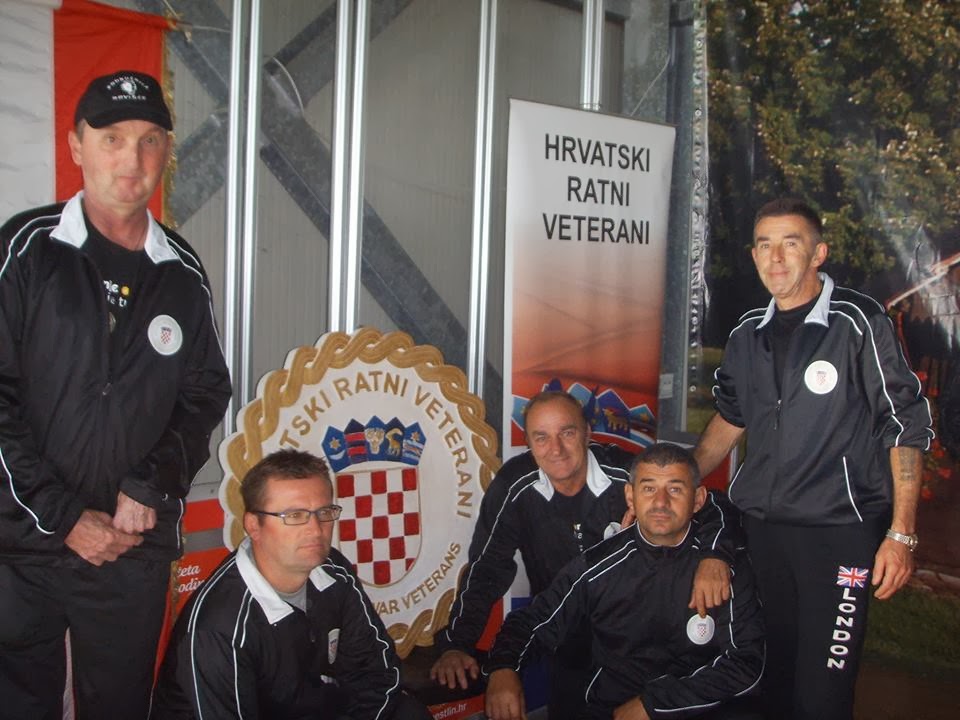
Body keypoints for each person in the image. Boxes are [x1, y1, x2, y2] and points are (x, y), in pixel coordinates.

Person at [0, 70, 231, 719]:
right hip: (27, 542)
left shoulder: (181, 271)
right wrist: (63, 516)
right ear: (77, 145)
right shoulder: (26, 250)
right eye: (112, 138)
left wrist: (151, 485)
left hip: (132, 549)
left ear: (166, 151)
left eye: (149, 139)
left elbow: (205, 393)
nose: (132, 158)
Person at [693, 198, 933, 719]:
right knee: (771, 678)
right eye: (765, 245)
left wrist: (901, 534)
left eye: (791, 243)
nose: (776, 257)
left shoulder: (857, 322)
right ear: (753, 255)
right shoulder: (745, 333)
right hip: (763, 532)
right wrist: (682, 478)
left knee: (823, 691)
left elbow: (904, 424)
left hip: (839, 533)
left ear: (818, 253)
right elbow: (730, 421)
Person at [431, 390, 741, 718]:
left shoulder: (627, 475)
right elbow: (487, 569)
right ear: (529, 444)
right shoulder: (515, 486)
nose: (556, 449)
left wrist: (715, 555)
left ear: (587, 434)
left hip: (635, 645)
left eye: (567, 433)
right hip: (565, 641)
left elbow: (710, 506)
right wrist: (458, 645)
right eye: (541, 437)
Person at [483, 443, 764, 720]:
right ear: (630, 496)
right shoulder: (597, 566)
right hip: (612, 709)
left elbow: (746, 664)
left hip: (695, 709)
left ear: (698, 500)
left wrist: (653, 705)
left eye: (675, 490)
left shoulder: (721, 569)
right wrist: (503, 668)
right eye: (649, 489)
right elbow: (533, 622)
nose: (661, 502)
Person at [152, 450, 430, 720]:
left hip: (316, 707)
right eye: (295, 516)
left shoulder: (333, 570)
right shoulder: (220, 628)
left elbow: (375, 674)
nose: (315, 529)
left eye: (324, 512)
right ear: (254, 525)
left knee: (407, 712)